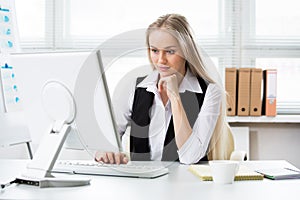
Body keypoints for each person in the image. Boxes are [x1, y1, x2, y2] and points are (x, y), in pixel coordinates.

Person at [95, 13, 234, 165]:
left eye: (170, 51)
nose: (161, 60)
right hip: (140, 183)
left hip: (187, 183)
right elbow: (108, 137)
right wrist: (105, 150)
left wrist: (175, 97)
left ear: (186, 51)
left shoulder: (210, 92)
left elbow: (190, 157)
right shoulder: (134, 88)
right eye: (155, 50)